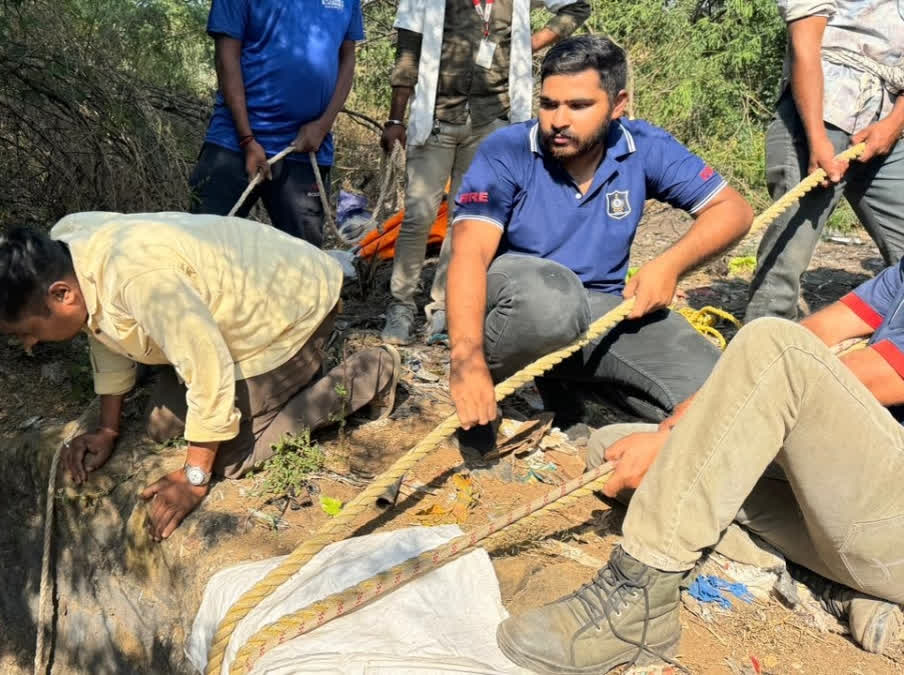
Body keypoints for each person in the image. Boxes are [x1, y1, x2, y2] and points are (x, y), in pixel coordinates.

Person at [496, 262, 904, 674]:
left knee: (773, 346)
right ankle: (837, 583)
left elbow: (854, 374)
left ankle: (641, 594)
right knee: (614, 449)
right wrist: (701, 414)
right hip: (862, 503)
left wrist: (698, 423)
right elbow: (818, 333)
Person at [0, 212, 400, 541]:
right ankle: (287, 382)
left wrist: (194, 476)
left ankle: (368, 372)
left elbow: (206, 365)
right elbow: (101, 327)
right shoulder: (68, 248)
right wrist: (109, 428)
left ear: (62, 295)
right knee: (161, 425)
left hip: (289, 310)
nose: (30, 345)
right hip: (232, 309)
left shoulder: (140, 279)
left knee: (226, 459)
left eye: (27, 331)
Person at [446, 35, 754, 451]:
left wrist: (669, 264)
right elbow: (469, 253)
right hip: (519, 306)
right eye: (549, 103)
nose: (558, 120)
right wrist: (466, 359)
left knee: (720, 392)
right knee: (552, 299)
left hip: (602, 314)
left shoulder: (644, 147)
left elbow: (733, 210)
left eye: (578, 106)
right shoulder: (508, 150)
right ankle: (487, 395)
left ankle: (568, 385)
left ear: (618, 104)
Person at [380, 0, 592, 344]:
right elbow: (407, 54)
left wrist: (532, 44)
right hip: (436, 120)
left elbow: (577, 6)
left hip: (492, 122)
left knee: (465, 221)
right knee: (419, 215)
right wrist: (394, 118)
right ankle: (401, 304)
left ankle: (446, 307)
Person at [745, 0, 904, 321]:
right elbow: (806, 48)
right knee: (789, 254)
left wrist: (893, 125)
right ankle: (765, 348)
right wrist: (817, 138)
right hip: (823, 112)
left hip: (885, 123)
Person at [187, 0, 364, 247]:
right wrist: (247, 139)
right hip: (233, 146)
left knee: (304, 263)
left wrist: (323, 126)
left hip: (305, 151)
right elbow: (226, 58)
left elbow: (347, 59)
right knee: (201, 251)